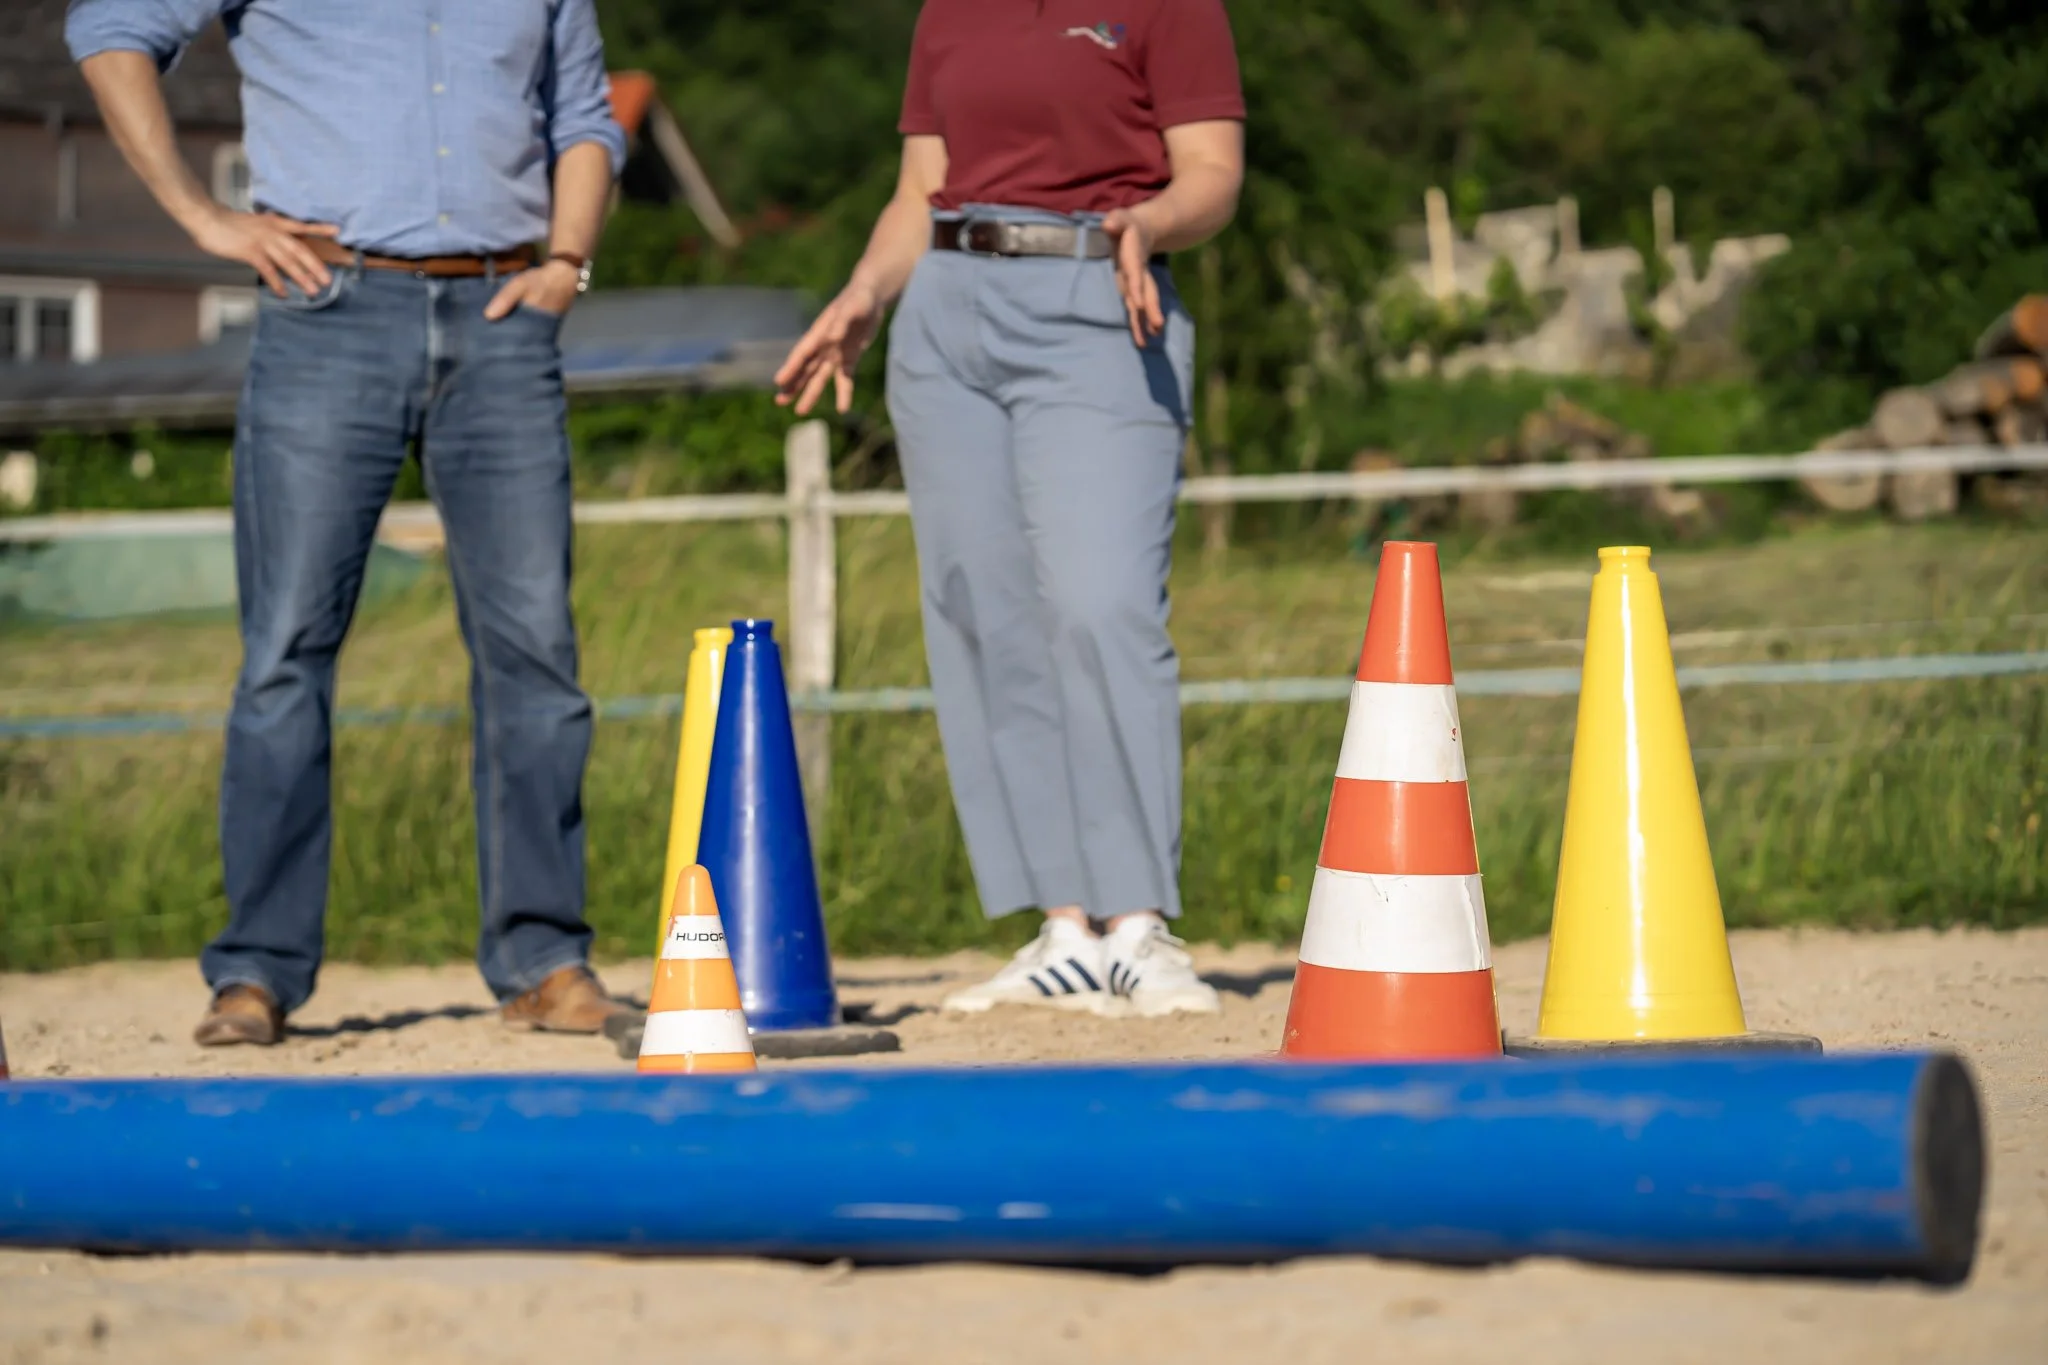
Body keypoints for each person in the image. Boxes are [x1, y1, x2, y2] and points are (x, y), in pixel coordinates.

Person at [66, 0, 633, 1046]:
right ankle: (257, 973)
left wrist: (567, 260)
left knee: (536, 657)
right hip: (329, 307)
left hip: (506, 316)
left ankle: (545, 960)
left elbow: (585, 121)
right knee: (286, 650)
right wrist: (203, 218)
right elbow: (108, 32)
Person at [775, 1, 1245, 1017]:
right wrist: (865, 291)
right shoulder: (949, 11)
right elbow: (919, 189)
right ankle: (1064, 926)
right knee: (988, 620)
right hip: (946, 319)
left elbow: (1211, 172)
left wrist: (1152, 220)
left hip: (1101, 302)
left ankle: (1137, 924)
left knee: (1097, 604)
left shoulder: (1168, 8)